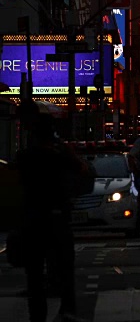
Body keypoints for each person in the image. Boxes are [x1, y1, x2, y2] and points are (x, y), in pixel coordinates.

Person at [17, 112, 89, 322]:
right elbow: (82, 170)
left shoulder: (25, 156)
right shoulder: (60, 154)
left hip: (33, 218)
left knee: (35, 274)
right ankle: (68, 310)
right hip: (57, 217)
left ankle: (37, 316)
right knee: (65, 268)